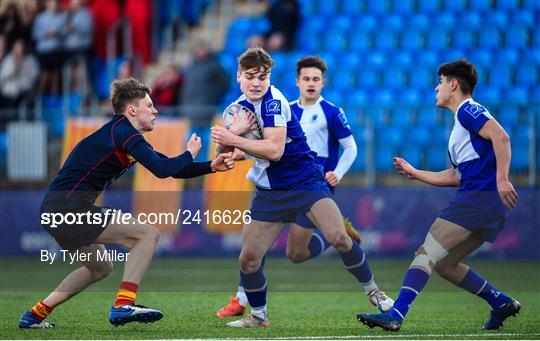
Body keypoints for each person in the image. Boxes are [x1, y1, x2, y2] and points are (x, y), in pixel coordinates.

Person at [18, 78, 235, 329]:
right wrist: (190, 153)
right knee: (147, 234)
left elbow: (169, 167)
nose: (155, 111)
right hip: (69, 208)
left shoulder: (122, 133)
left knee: (100, 267)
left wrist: (211, 166)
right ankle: (123, 304)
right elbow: (163, 170)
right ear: (132, 110)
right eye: (150, 105)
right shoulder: (124, 132)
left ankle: (34, 315)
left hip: (56, 209)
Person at [211, 47, 388, 328]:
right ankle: (258, 316)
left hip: (306, 183)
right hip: (270, 192)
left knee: (340, 238)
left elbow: (275, 150)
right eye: (250, 76)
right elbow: (224, 147)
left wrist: (235, 135)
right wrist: (231, 140)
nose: (257, 82)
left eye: (262, 76)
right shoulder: (236, 109)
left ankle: (374, 292)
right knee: (249, 259)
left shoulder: (275, 102)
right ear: (239, 77)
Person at [357, 59, 520, 332]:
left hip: (478, 199)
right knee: (445, 264)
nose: (436, 87)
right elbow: (456, 176)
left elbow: (501, 137)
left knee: (426, 253)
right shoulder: (461, 124)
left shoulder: (469, 109)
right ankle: (501, 302)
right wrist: (415, 172)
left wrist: (502, 178)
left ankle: (396, 314)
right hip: (487, 203)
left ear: (453, 84)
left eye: (441, 82)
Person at [180, 39, 229, 127]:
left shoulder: (215, 66)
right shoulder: (191, 67)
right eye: (198, 49)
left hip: (207, 111)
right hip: (191, 112)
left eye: (203, 49)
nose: (200, 52)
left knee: (207, 138)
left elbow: (224, 84)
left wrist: (213, 97)